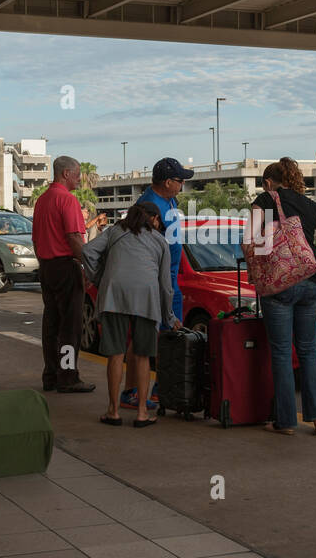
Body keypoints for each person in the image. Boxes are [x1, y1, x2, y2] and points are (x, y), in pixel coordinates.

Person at [247, 157, 316, 437]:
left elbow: (249, 240)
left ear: (268, 182)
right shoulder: (310, 204)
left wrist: (257, 272)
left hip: (279, 287)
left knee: (280, 352)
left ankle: (285, 421)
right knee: (308, 350)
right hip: (312, 283)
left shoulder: (265, 200)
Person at [82, 202, 179, 427]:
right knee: (143, 355)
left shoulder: (114, 231)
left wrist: (99, 279)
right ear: (153, 219)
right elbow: (165, 286)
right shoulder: (159, 240)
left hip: (114, 294)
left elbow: (87, 251)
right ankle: (142, 413)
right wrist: (170, 317)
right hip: (146, 296)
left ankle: (113, 411)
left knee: (115, 354)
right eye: (158, 222)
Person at [121, 156, 195, 410]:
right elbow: (140, 248)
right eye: (179, 180)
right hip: (153, 282)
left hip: (170, 280)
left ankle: (160, 389)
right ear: (166, 182)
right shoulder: (148, 206)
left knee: (168, 335)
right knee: (144, 337)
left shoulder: (169, 199)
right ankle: (131, 391)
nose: (182, 184)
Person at [33, 155, 95, 394]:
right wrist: (87, 266)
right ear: (66, 174)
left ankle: (50, 375)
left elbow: (37, 239)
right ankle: (67, 376)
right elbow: (74, 238)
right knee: (70, 327)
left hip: (47, 267)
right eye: (78, 173)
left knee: (51, 323)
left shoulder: (42, 201)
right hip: (65, 266)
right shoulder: (67, 200)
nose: (80, 178)